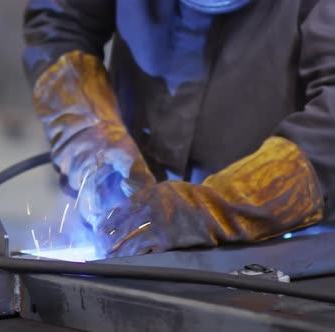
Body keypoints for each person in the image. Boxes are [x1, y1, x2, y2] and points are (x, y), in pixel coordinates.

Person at [22, 0, 335, 257]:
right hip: (131, 223)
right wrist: (93, 140)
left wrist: (213, 208)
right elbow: (60, 25)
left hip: (283, 246)